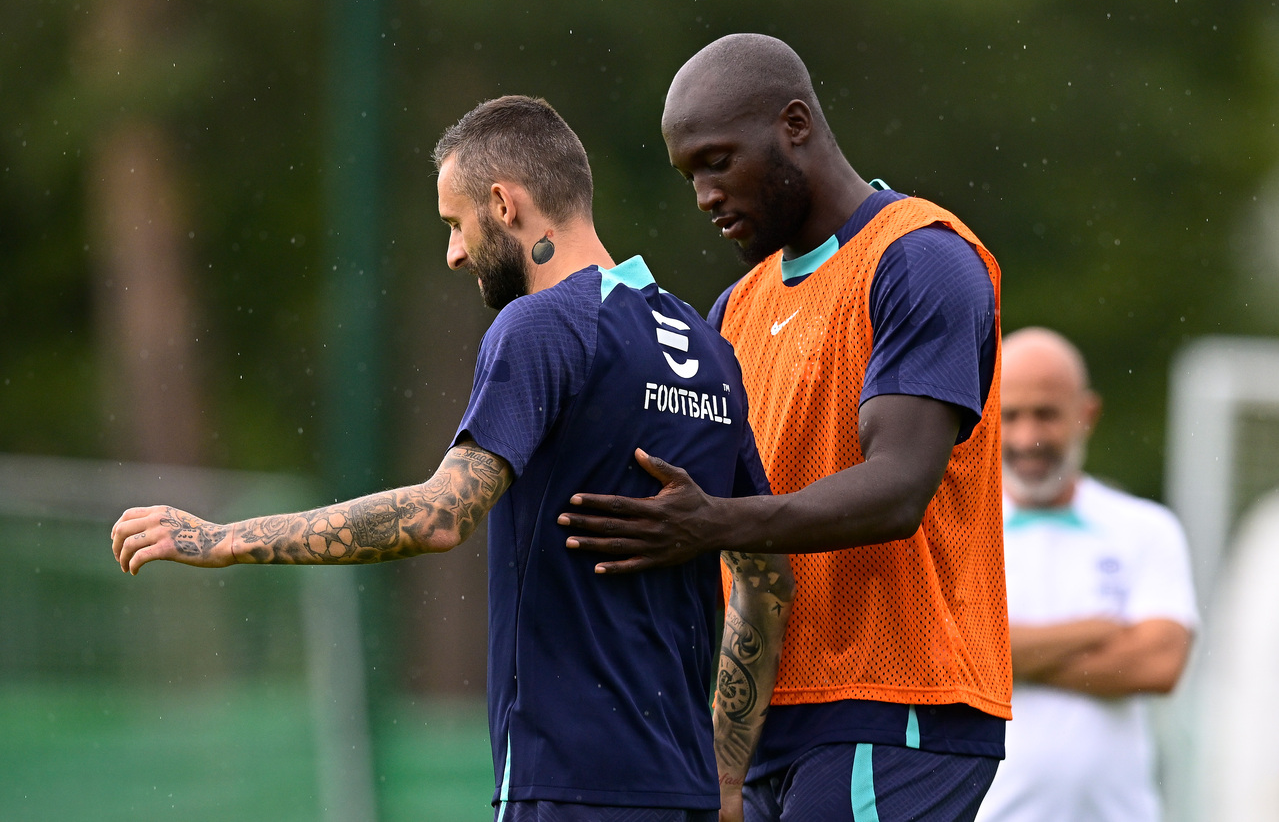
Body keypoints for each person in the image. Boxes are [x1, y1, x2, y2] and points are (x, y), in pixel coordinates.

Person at [110, 95, 793, 822]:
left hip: (568, 784)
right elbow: (765, 573)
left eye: (455, 223)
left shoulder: (541, 324)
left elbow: (440, 515)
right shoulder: (708, 348)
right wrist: (723, 775)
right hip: (682, 791)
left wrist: (221, 539)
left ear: (504, 204)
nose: (454, 252)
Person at [560, 35, 1010, 821]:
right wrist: (725, 762)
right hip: (772, 723)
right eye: (687, 175)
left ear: (794, 124)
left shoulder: (918, 257)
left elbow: (897, 488)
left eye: (716, 160)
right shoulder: (733, 310)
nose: (703, 194)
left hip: (894, 705)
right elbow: (737, 554)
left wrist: (709, 523)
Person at [974, 327, 1197, 822]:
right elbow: (954, 654)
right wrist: (1094, 630)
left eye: (1047, 414)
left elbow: (1158, 666)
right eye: (1010, 415)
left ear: (1086, 415)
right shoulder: (959, 530)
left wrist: (1007, 655)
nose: (1028, 436)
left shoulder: (1147, 528)